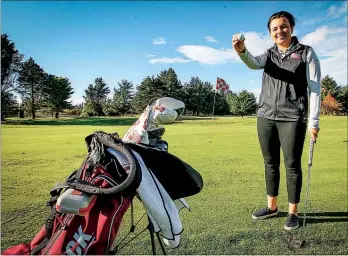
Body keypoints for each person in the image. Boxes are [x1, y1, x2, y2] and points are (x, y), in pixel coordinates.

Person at [232, 11, 321, 230]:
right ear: (270, 33)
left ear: (291, 27)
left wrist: (314, 121)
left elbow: (315, 89)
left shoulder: (306, 53)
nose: (279, 31)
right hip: (265, 116)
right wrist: (242, 51)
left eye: (283, 26)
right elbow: (253, 63)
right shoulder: (269, 54)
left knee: (292, 166)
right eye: (274, 28)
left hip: (293, 117)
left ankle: (293, 212)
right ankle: (272, 207)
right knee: (270, 164)